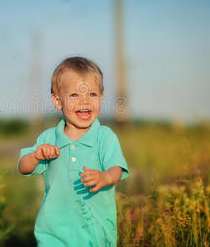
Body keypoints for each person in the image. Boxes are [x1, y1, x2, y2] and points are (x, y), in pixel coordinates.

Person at [18, 56, 129, 246]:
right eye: (74, 96)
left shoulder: (104, 137)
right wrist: (36, 155)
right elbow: (23, 167)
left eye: (92, 94)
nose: (84, 102)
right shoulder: (48, 138)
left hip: (95, 234)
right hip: (52, 233)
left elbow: (116, 170)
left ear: (101, 97)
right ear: (57, 100)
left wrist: (105, 178)